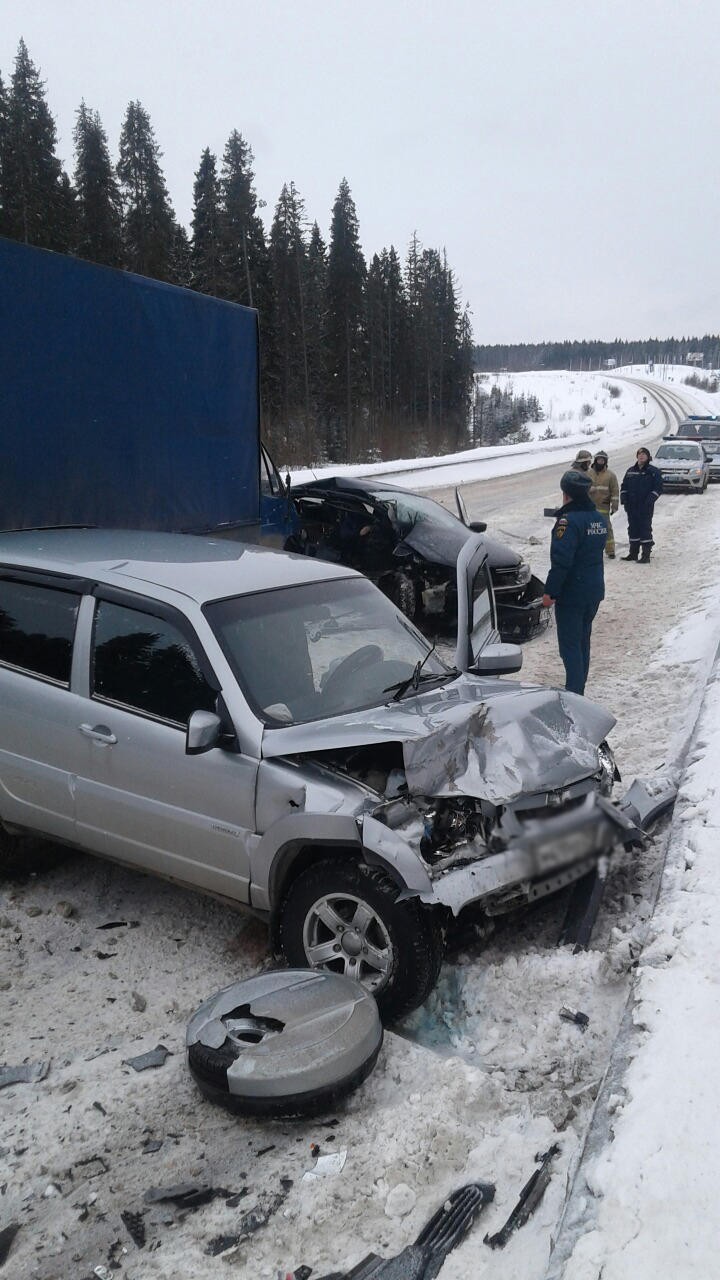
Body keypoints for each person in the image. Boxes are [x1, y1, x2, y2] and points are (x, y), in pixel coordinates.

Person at [541, 470, 607, 696]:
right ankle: (579, 688)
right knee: (582, 643)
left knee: (569, 647)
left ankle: (574, 693)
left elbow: (562, 562)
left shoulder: (568, 523)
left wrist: (550, 592)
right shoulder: (598, 518)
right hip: (593, 591)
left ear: (566, 495)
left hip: (572, 594)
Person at [620, 447, 663, 562]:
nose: (641, 456)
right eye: (639, 454)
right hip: (632, 507)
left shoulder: (653, 471)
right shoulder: (630, 471)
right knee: (633, 529)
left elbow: (658, 488)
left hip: (645, 507)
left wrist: (649, 501)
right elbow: (624, 486)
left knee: (645, 529)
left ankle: (646, 555)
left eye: (644, 454)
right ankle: (633, 553)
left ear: (648, 457)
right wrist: (624, 498)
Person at [588, 450, 620, 558]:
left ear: (605, 462)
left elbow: (615, 492)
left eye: (602, 460)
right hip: (589, 507)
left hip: (603, 507)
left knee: (606, 529)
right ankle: (591, 550)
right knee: (589, 529)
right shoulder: (588, 473)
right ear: (595, 460)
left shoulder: (611, 476)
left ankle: (610, 550)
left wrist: (614, 506)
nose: (600, 462)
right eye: (598, 459)